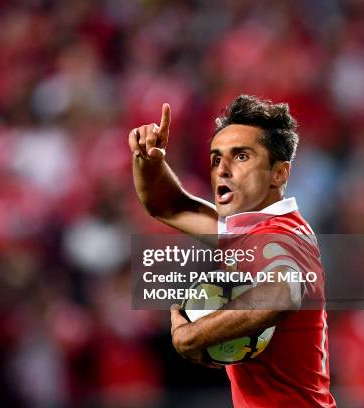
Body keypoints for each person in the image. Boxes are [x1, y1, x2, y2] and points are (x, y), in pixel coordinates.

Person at [129, 95, 336, 407]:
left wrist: (191, 335)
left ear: (279, 174)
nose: (222, 170)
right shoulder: (247, 230)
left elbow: (284, 293)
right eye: (216, 158)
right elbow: (168, 206)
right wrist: (148, 160)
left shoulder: (277, 237)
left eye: (241, 157)